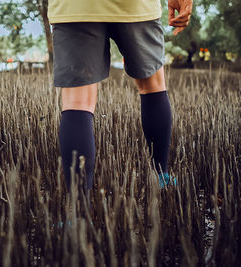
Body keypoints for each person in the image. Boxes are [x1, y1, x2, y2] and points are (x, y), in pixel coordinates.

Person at [48, 0, 193, 198]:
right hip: (136, 7)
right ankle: (161, 177)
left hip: (75, 8)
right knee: (153, 86)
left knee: (77, 100)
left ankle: (81, 214)